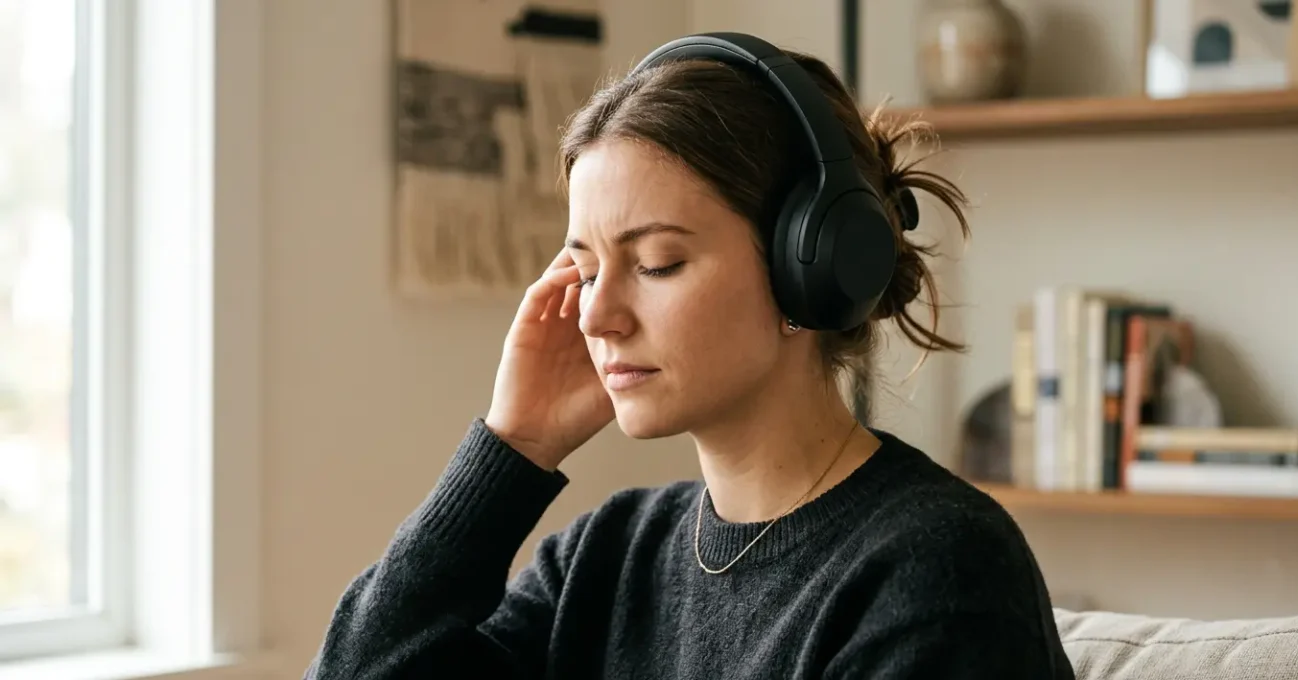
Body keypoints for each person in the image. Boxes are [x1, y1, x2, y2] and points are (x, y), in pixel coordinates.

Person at [304, 33, 1075, 680]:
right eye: (586, 266)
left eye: (658, 263)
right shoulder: (603, 559)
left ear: (808, 268)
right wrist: (512, 450)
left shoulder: (935, 569)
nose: (597, 316)